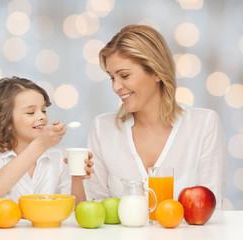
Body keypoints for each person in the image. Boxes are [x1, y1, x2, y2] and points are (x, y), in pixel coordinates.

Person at [85, 25, 227, 209]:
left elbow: (210, 210)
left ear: (156, 72)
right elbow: (96, 209)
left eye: (125, 75)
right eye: (112, 78)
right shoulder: (102, 128)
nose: (116, 87)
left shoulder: (204, 124)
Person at [0, 76, 94, 205]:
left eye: (43, 110)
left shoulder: (58, 158)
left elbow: (77, 210)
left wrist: (76, 178)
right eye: (30, 112)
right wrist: (40, 144)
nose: (42, 116)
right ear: (7, 121)